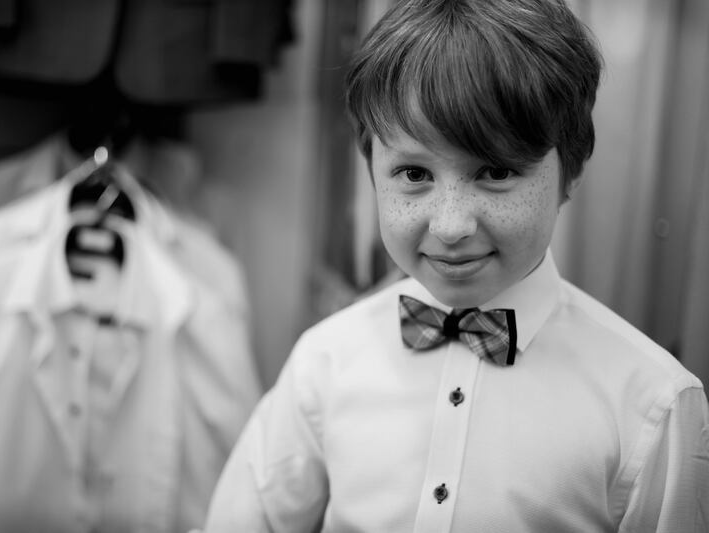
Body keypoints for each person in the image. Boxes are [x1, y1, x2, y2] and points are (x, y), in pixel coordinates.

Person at [200, 0, 709, 531]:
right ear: (371, 169)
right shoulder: (325, 361)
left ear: (572, 171)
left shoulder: (653, 404)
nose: (450, 226)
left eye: (495, 171)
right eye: (414, 174)